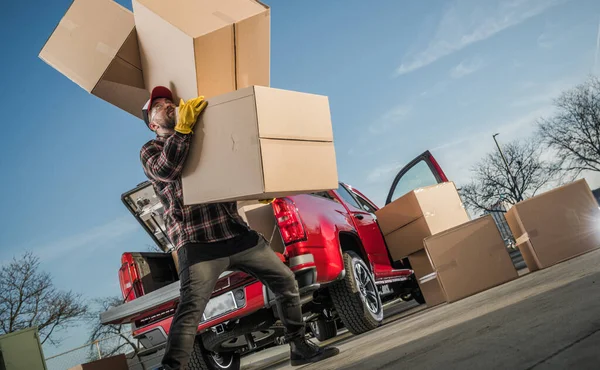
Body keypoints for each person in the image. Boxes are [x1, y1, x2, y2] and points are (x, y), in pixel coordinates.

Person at [139, 86, 340, 370]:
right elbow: (167, 170)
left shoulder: (203, 137)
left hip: (235, 232)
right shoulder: (151, 150)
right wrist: (183, 130)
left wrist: (257, 189)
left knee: (285, 281)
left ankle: (300, 346)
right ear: (153, 123)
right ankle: (171, 368)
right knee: (191, 308)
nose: (168, 104)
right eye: (159, 104)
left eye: (170, 100)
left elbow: (234, 167)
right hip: (197, 242)